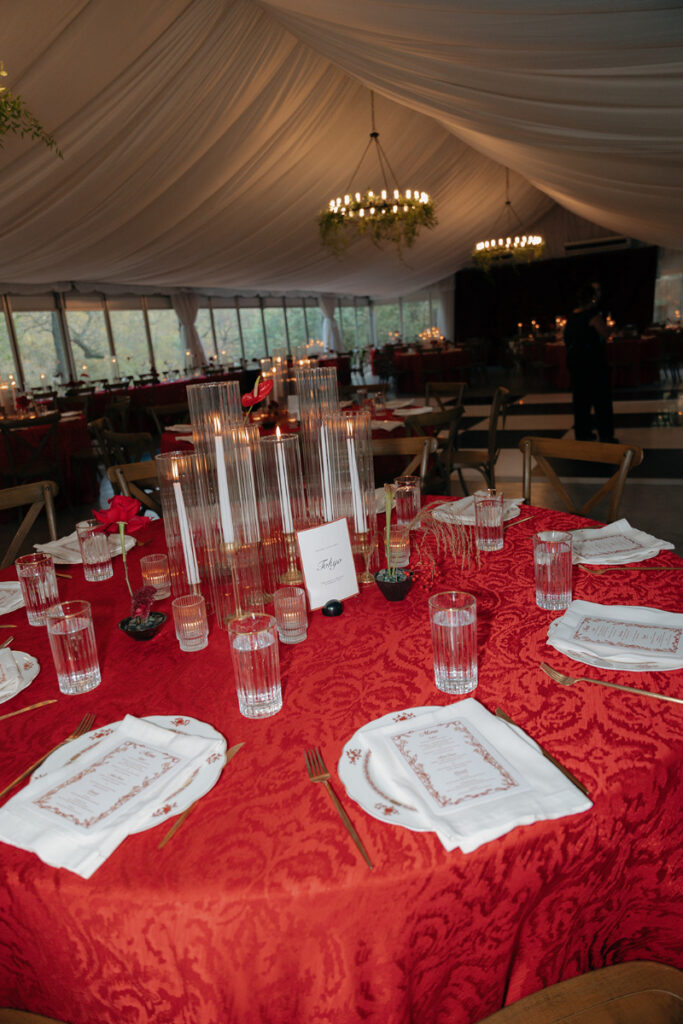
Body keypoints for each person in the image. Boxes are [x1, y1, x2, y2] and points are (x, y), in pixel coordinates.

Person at [563, 283, 617, 442]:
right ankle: (606, 435)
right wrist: (612, 329)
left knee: (581, 400)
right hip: (593, 363)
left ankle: (582, 433)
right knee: (602, 400)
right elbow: (605, 334)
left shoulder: (572, 317)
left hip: (576, 363)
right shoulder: (593, 315)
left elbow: (567, 339)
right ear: (592, 298)